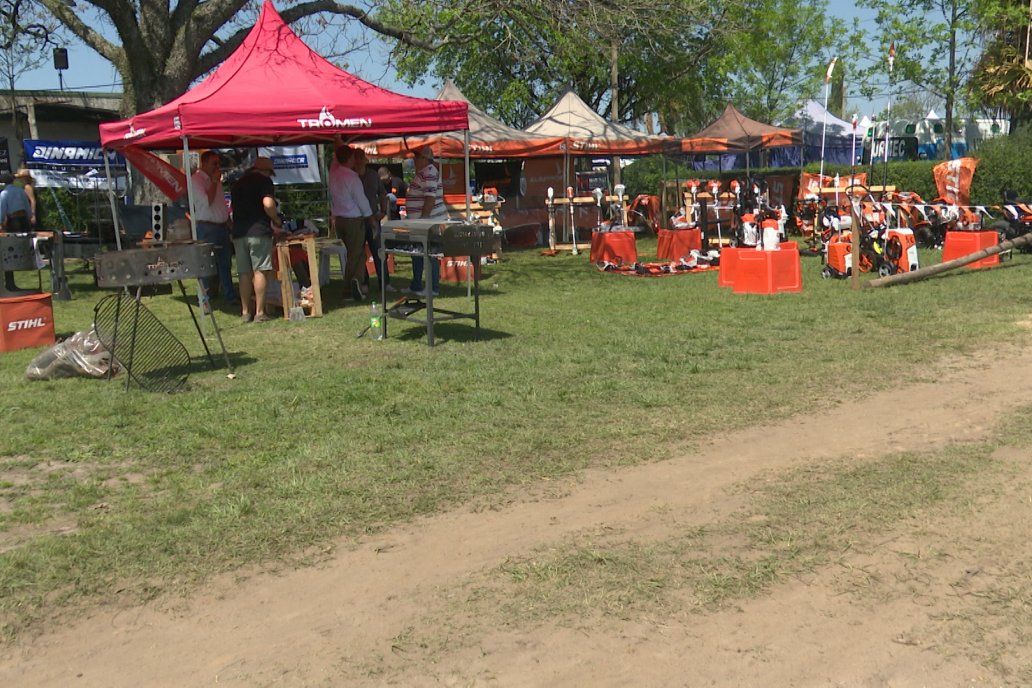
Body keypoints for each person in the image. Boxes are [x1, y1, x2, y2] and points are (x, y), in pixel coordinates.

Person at [230, 156, 281, 323]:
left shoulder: (238, 184)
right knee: (260, 271)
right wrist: (275, 219)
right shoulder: (264, 182)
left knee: (244, 273)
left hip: (239, 232)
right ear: (266, 171)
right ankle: (259, 312)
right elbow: (268, 203)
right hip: (258, 231)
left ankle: (245, 312)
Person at [190, 151, 237, 307]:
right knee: (206, 265)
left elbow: (220, 204)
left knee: (225, 264)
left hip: (221, 225)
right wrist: (215, 182)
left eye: (219, 163)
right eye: (214, 163)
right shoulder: (196, 180)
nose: (218, 167)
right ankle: (204, 300)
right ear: (204, 164)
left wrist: (229, 223)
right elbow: (207, 201)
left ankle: (230, 296)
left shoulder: (215, 180)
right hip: (206, 227)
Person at [328, 144, 372, 301]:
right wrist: (370, 217)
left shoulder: (334, 172)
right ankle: (351, 285)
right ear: (350, 158)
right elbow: (362, 201)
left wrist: (337, 141)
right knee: (356, 254)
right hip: (353, 219)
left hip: (339, 219)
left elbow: (336, 158)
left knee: (355, 253)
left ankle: (357, 281)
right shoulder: (352, 178)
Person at [403, 145, 446, 297]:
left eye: (417, 157)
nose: (414, 160)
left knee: (430, 254)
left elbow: (430, 197)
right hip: (419, 222)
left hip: (428, 222)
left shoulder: (430, 171)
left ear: (424, 158)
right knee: (416, 252)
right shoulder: (423, 172)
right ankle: (416, 285)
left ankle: (433, 288)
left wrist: (424, 219)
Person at [356, 149, 391, 293]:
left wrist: (383, 211)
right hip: (356, 220)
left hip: (373, 219)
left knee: (379, 251)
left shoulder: (373, 175)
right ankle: (363, 282)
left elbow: (383, 193)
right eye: (357, 157)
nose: (360, 160)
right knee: (359, 253)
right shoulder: (350, 176)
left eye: (361, 157)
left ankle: (385, 283)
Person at [0, 173, 32, 291]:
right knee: (24, 247)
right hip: (23, 220)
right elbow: (27, 207)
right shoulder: (20, 191)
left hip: (14, 222)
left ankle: (10, 281)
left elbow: (2, 210)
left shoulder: (4, 194)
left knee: (9, 249)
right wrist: (29, 218)